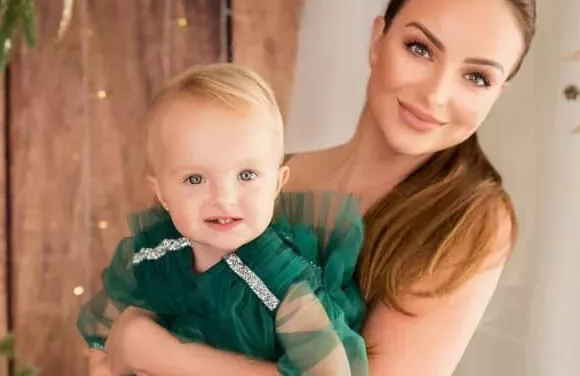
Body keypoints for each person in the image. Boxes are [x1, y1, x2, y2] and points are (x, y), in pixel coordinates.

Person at [89, 0, 537, 374]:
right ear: (378, 39)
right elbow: (117, 332)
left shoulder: (470, 219)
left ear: (499, 92)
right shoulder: (250, 180)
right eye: (420, 49)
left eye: (476, 77)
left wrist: (155, 351)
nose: (435, 94)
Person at [78, 63, 370, 375]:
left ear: (277, 183)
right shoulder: (160, 254)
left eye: (246, 175)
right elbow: (108, 344)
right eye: (195, 179)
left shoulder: (282, 284)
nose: (223, 198)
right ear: (162, 193)